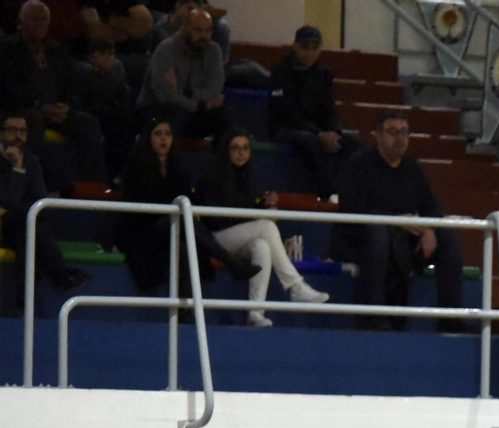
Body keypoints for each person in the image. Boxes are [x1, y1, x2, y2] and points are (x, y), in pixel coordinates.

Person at [331, 111, 466, 332]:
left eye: (404, 133)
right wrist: (393, 220)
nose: (400, 138)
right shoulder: (358, 165)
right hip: (360, 237)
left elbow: (431, 206)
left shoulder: (412, 168)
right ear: (377, 135)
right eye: (393, 132)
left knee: (449, 237)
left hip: (404, 237)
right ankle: (373, 317)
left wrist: (430, 228)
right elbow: (352, 208)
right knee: (378, 234)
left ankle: (451, 320)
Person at [195, 130, 329, 327]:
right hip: (214, 239)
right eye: (235, 148)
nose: (241, 153)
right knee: (265, 227)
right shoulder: (213, 174)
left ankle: (255, 313)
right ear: (226, 150)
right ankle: (295, 286)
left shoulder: (248, 175)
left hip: (241, 235)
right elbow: (218, 217)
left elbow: (247, 209)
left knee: (261, 247)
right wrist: (257, 212)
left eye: (245, 148)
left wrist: (265, 205)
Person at [114, 117, 256, 295]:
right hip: (145, 235)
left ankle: (185, 313)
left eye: (167, 134)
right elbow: (134, 213)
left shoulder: (179, 169)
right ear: (148, 138)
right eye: (158, 134)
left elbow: (188, 199)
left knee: (184, 246)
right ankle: (229, 260)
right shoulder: (136, 168)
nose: (163, 139)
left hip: (175, 233)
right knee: (178, 220)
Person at [0, 0, 107, 190]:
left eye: (44, 20)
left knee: (87, 123)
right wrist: (39, 105)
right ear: (20, 22)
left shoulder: (57, 50)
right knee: (31, 121)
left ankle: (92, 188)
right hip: (23, 109)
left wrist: (67, 106)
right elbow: (8, 89)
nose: (40, 25)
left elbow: (72, 85)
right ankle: (38, 185)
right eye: (34, 20)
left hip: (56, 110)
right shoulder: (7, 50)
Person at [0, 111, 89, 311]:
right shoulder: (17, 163)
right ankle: (62, 275)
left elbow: (39, 200)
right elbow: (9, 200)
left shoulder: (31, 160)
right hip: (3, 227)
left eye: (22, 131)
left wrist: (15, 206)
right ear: (1, 133)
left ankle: (23, 303)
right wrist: (17, 170)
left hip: (21, 225)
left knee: (28, 233)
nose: (18, 136)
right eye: (12, 130)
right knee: (31, 224)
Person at [267, 25, 356, 199]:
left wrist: (334, 132)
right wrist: (319, 134)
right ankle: (327, 192)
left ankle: (349, 193)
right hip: (284, 127)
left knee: (352, 142)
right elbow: (286, 113)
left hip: (316, 129)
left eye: (315, 48)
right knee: (310, 141)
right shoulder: (281, 71)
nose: (310, 53)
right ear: (295, 47)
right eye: (305, 48)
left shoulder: (324, 72)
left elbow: (329, 109)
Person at [138, 5, 229, 141]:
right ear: (185, 27)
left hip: (194, 111)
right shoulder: (166, 49)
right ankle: (169, 160)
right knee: (175, 112)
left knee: (225, 114)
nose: (203, 36)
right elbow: (165, 95)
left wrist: (183, 90)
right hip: (157, 111)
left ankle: (221, 161)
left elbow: (214, 90)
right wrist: (198, 105)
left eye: (208, 31)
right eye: (198, 30)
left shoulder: (214, 51)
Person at [72, 38, 136, 177]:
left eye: (111, 54)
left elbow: (124, 105)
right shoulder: (82, 76)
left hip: (113, 118)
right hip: (93, 115)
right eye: (103, 54)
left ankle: (120, 175)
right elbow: (80, 101)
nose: (108, 58)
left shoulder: (117, 82)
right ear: (92, 56)